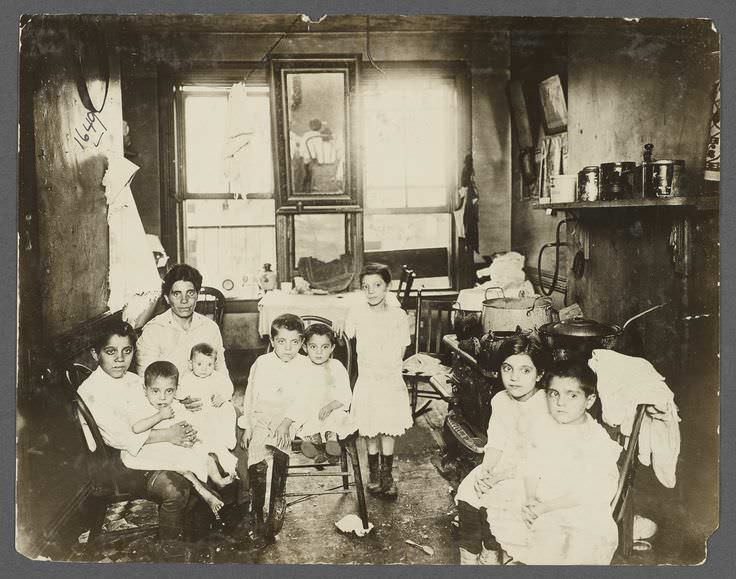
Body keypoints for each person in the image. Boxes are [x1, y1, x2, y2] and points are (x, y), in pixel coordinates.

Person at [77, 320, 205, 555]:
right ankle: (170, 549)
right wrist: (169, 434)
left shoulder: (134, 380)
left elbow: (155, 408)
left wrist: (181, 413)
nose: (119, 359)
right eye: (110, 351)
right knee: (176, 490)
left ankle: (186, 529)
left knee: (202, 457)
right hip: (115, 465)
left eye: (127, 351)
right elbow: (120, 438)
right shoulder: (91, 390)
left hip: (144, 450)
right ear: (96, 354)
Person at [480, 361, 622, 565]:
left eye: (572, 395)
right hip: (540, 495)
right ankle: (512, 559)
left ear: (589, 400)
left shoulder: (595, 439)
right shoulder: (543, 425)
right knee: (503, 502)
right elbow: (531, 464)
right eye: (554, 394)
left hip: (573, 504)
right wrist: (530, 498)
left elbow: (593, 491)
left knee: (565, 540)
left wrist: (544, 508)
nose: (560, 403)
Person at [454, 334, 550, 565]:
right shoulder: (500, 400)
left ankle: (491, 553)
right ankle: (469, 558)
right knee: (468, 492)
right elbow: (496, 443)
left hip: (533, 475)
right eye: (508, 368)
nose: (514, 378)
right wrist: (486, 471)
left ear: (540, 374)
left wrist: (496, 478)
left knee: (497, 500)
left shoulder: (545, 405)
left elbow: (536, 460)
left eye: (525, 371)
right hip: (501, 466)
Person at [127, 361, 236, 517]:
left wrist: (192, 435)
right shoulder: (143, 407)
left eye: (169, 391)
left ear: (176, 390)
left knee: (206, 456)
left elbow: (188, 422)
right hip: (156, 449)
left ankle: (217, 479)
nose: (162, 397)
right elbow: (136, 428)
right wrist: (159, 416)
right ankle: (205, 494)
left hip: (177, 445)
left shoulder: (176, 405)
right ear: (145, 390)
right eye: (156, 391)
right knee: (183, 466)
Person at [341, 263, 412, 498]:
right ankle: (373, 474)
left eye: (377, 285)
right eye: (365, 286)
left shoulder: (398, 315)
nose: (371, 291)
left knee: (388, 428)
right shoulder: (358, 313)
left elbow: (402, 347)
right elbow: (344, 336)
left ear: (387, 287)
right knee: (370, 428)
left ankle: (387, 475)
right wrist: (339, 325)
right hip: (368, 379)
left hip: (390, 378)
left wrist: (389, 370)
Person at [239, 313, 310, 540]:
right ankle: (257, 509)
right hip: (263, 415)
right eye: (282, 341)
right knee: (257, 456)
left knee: (280, 446)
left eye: (295, 342)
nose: (288, 348)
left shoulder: (304, 365)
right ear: (272, 341)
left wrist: (286, 422)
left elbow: (304, 399)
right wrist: (249, 425)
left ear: (302, 342)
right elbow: (250, 395)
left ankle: (278, 497)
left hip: (290, 416)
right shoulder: (262, 363)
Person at [136, 264, 228, 381]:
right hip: (165, 396)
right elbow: (146, 378)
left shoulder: (210, 328)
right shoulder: (153, 330)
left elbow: (221, 372)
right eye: (176, 294)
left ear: (197, 295)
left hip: (205, 393)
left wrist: (221, 395)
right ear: (167, 298)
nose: (184, 300)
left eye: (190, 293)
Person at [296, 323, 355, 464]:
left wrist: (329, 407)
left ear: (332, 348)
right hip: (308, 409)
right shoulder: (300, 365)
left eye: (325, 347)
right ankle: (312, 445)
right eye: (313, 347)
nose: (319, 352)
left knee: (335, 418)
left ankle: (331, 440)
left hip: (332, 408)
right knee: (303, 419)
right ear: (304, 347)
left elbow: (345, 394)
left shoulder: (336, 366)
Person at [176, 343, 238, 475]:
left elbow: (228, 388)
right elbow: (179, 394)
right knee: (187, 419)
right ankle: (204, 443)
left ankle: (226, 440)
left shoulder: (217, 377)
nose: (204, 369)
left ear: (214, 364)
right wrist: (183, 400)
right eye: (199, 364)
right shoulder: (186, 378)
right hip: (197, 412)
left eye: (209, 364)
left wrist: (222, 397)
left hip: (213, 410)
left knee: (228, 409)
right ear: (190, 363)